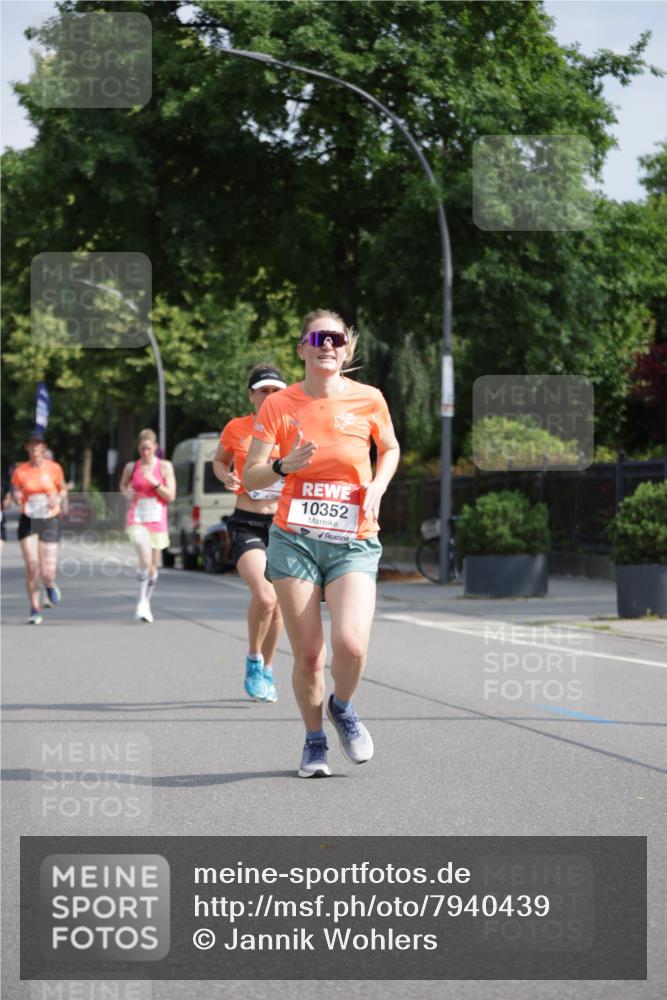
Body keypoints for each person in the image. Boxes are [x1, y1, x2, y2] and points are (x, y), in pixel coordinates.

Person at [243, 310, 400, 777]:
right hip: (295, 540)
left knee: (350, 645)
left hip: (354, 540)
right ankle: (314, 743)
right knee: (310, 653)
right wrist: (282, 466)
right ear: (303, 349)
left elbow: (389, 448)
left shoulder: (369, 399)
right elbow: (252, 476)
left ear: (346, 349)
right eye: (317, 337)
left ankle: (343, 707)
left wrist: (377, 487)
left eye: (335, 338)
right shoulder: (280, 405)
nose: (326, 344)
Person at [213, 365, 288, 702]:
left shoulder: (294, 428)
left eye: (276, 391)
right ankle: (253, 659)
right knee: (266, 596)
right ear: (251, 395)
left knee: (280, 606)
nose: (270, 397)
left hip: (286, 525)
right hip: (247, 521)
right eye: (263, 391)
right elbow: (219, 460)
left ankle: (268, 669)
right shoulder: (237, 428)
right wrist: (225, 476)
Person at [119, 429, 176, 623]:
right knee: (144, 558)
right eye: (142, 449)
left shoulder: (165, 467)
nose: (145, 453)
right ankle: (141, 602)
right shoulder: (131, 467)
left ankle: (145, 603)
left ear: (156, 448)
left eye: (149, 449)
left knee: (153, 566)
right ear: (138, 448)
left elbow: (171, 496)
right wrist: (128, 494)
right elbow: (123, 487)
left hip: (157, 519)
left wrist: (154, 483)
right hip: (137, 518)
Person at [11, 430, 68, 624]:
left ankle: (50, 585)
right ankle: (35, 608)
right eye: (31, 443)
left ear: (43, 447)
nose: (35, 446)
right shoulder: (20, 471)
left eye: (38, 443)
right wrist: (17, 496)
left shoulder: (54, 468)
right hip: (28, 519)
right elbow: (16, 490)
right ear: (27, 447)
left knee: (47, 571)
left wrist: (57, 498)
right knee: (32, 567)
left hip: (49, 518)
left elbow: (63, 489)